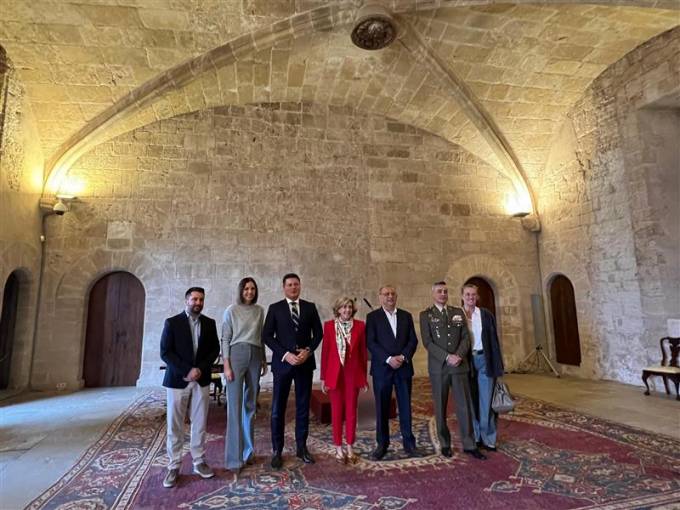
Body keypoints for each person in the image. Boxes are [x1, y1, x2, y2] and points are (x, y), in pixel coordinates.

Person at [160, 287, 221, 488]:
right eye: (194, 299)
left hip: (201, 379)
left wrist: (199, 369)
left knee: (200, 421)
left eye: (201, 299)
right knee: (175, 424)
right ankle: (174, 465)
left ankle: (199, 461)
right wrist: (187, 370)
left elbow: (214, 350)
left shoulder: (209, 323)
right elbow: (165, 352)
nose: (198, 303)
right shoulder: (172, 323)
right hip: (178, 379)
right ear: (186, 300)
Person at [262, 273, 323, 469]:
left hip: (304, 363)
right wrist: (285, 354)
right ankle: (277, 450)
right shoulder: (275, 308)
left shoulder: (310, 307)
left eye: (296, 284)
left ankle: (301, 447)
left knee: (303, 407)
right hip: (283, 365)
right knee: (278, 408)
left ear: (300, 286)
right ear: (284, 287)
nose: (293, 287)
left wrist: (308, 350)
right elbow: (267, 336)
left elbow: (318, 333)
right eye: (289, 285)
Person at [420, 282, 486, 460]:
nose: (443, 294)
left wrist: (458, 355)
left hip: (459, 366)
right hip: (439, 368)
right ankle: (445, 444)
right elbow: (428, 342)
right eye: (439, 291)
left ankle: (470, 444)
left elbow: (466, 337)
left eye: (445, 291)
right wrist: (447, 357)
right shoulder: (426, 315)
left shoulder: (457, 312)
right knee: (440, 407)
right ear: (433, 294)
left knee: (465, 407)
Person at [365, 285, 419, 460]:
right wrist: (388, 359)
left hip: (403, 368)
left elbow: (413, 340)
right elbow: (371, 342)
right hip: (382, 369)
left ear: (396, 297)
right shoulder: (373, 317)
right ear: (380, 297)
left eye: (392, 294)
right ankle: (382, 444)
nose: (390, 296)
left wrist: (403, 357)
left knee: (405, 407)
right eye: (386, 294)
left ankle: (409, 443)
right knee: (381, 408)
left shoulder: (406, 316)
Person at [221, 277, 267, 473]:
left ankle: (248, 452)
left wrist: (263, 359)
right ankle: (234, 459)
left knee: (250, 405)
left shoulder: (260, 311)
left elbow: (261, 337)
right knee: (235, 406)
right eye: (246, 288)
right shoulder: (231, 310)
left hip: (255, 355)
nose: (249, 292)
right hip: (236, 354)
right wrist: (226, 365)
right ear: (241, 290)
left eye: (252, 289)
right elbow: (225, 338)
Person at [320, 297, 368, 464]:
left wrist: (364, 378)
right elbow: (325, 353)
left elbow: (363, 354)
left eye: (349, 307)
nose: (347, 310)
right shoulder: (328, 326)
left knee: (351, 412)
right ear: (338, 310)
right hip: (335, 375)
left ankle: (350, 446)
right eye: (343, 307)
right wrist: (323, 378)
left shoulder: (360, 326)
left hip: (352, 374)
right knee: (336, 412)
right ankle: (338, 447)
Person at [462, 282, 504, 452]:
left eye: (473, 294)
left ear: (477, 296)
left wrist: (498, 364)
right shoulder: (457, 315)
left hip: (484, 359)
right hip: (466, 362)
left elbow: (494, 341)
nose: (471, 297)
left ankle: (489, 438)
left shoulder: (486, 315)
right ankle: (476, 436)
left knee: (486, 401)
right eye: (467, 294)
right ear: (462, 296)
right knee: (470, 402)